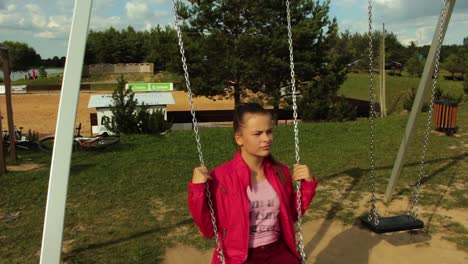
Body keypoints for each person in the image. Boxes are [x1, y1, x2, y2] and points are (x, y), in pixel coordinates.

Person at [188, 103, 318, 264]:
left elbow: (291, 214)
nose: (266, 139)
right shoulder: (221, 178)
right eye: (257, 133)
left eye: (269, 132)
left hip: (277, 251)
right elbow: (208, 230)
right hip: (239, 256)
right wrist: (197, 189)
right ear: (239, 138)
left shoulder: (280, 172)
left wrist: (308, 185)